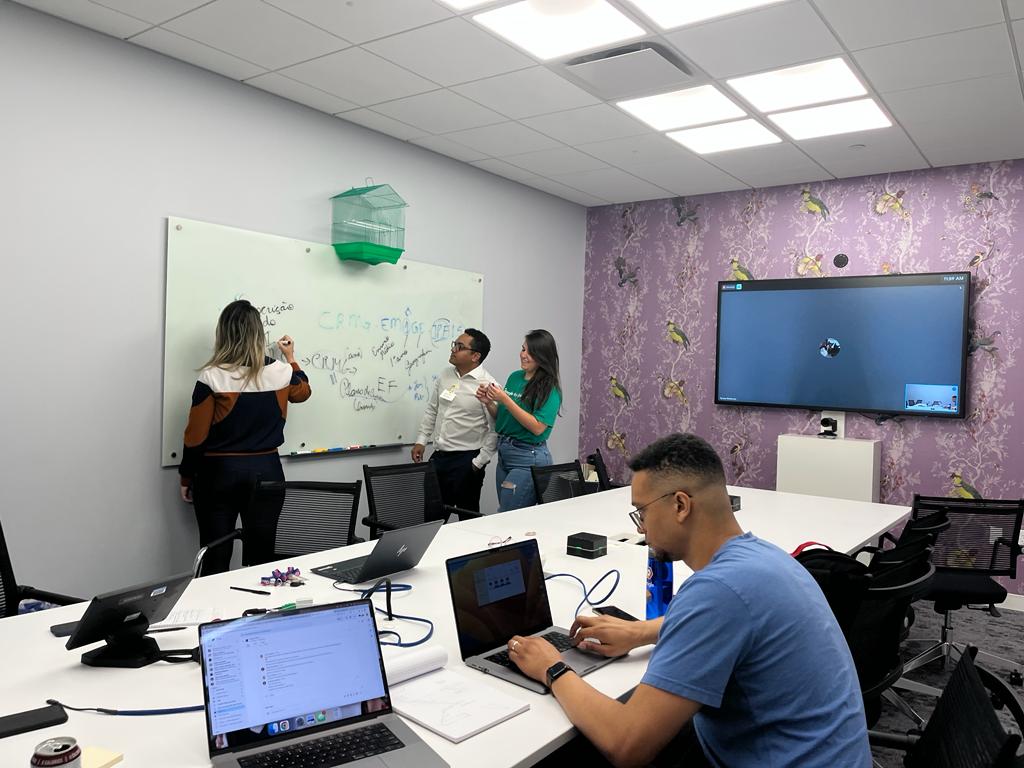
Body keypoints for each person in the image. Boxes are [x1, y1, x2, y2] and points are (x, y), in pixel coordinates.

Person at [506, 433, 871, 768]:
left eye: (642, 512)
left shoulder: (716, 592)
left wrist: (552, 667)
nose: (640, 528)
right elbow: (739, 622)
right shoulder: (763, 558)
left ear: (680, 505)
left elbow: (626, 745)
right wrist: (640, 632)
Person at [179, 300, 311, 575]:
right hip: (267, 471)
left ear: (224, 333)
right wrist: (291, 358)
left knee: (215, 559)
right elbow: (304, 392)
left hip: (218, 474)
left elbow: (195, 437)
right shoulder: (282, 372)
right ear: (258, 333)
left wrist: (186, 477)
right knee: (263, 561)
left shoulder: (212, 376)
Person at [411, 329, 497, 512]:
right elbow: (433, 409)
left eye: (459, 346)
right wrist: (421, 440)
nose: (453, 349)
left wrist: (479, 462)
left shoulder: (487, 385)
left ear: (475, 356)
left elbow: (496, 429)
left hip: (467, 461)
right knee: (432, 519)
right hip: (439, 457)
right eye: (454, 345)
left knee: (467, 520)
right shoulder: (446, 374)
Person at [476, 329, 562, 511]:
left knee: (506, 515)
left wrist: (505, 399)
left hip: (528, 457)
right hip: (505, 453)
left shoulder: (550, 388)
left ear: (542, 356)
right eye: (523, 349)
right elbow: (502, 418)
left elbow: (537, 427)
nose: (523, 355)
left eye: (530, 352)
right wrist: (488, 402)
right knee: (507, 513)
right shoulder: (514, 377)